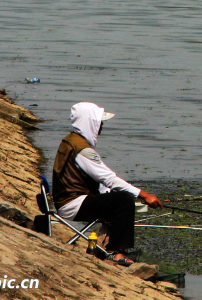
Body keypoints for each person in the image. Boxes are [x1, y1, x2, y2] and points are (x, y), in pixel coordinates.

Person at [52, 102, 163, 266]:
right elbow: (109, 179)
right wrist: (144, 195)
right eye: (99, 122)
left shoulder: (71, 141)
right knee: (123, 200)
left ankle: (101, 249)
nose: (102, 126)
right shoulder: (83, 150)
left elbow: (101, 180)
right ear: (89, 122)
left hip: (68, 201)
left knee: (115, 198)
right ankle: (115, 252)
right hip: (72, 204)